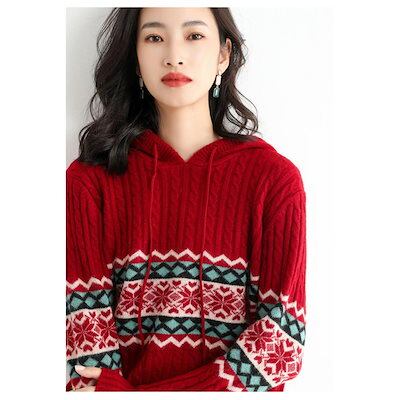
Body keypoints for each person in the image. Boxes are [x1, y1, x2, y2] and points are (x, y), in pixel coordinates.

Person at [66, 7, 307, 392]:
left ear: (223, 55)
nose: (173, 55)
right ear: (135, 58)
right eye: (154, 37)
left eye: (194, 36)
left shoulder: (273, 181)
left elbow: (281, 343)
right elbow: (87, 351)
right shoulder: (88, 183)